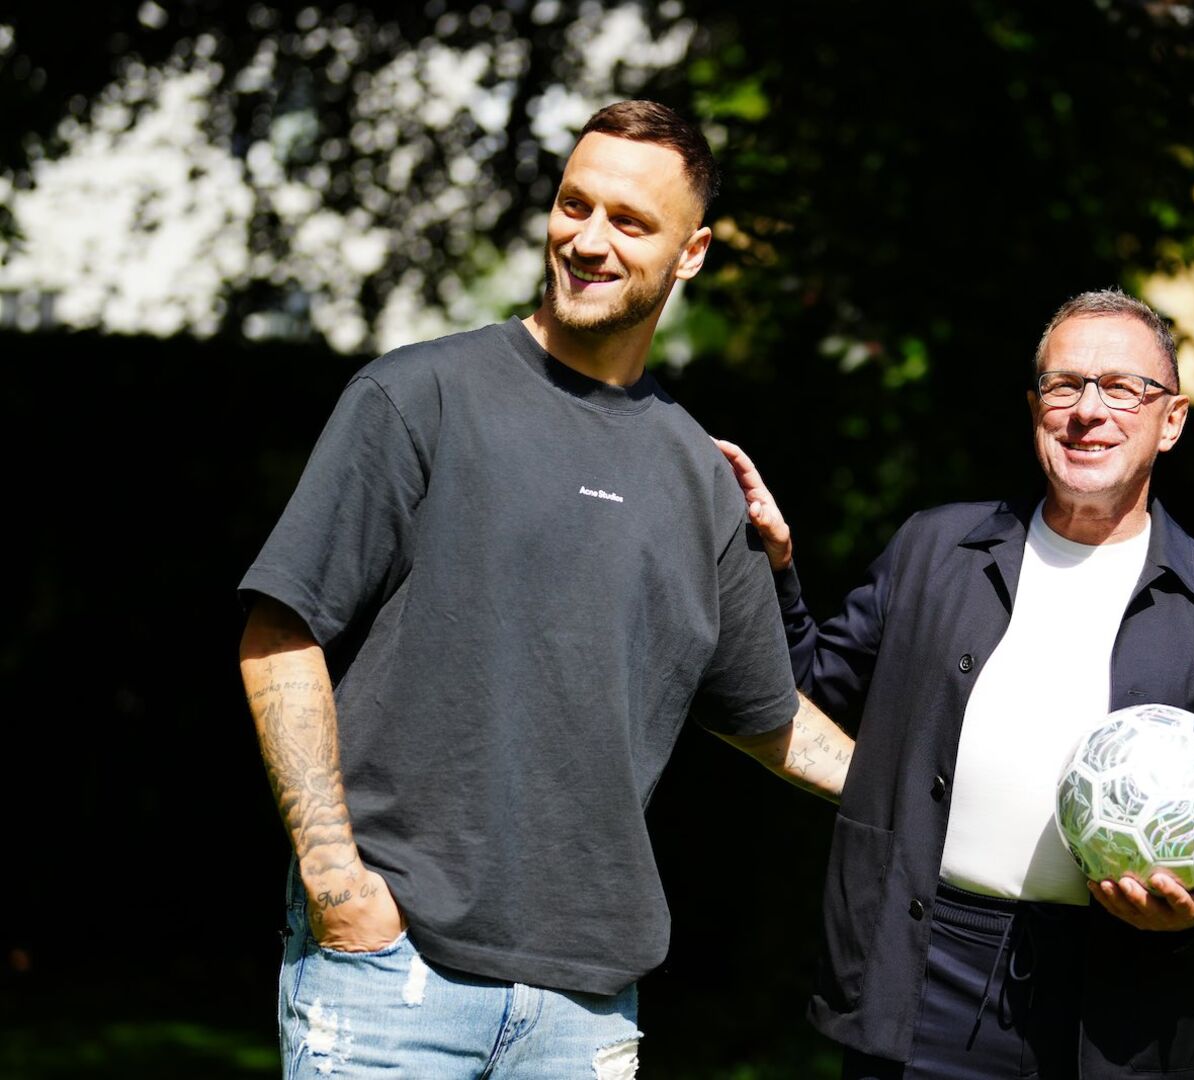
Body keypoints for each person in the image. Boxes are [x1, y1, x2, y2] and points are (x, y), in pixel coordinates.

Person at [237, 99, 853, 1079]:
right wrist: (332, 879)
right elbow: (280, 631)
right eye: (575, 205)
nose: (588, 240)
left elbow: (764, 716)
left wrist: (917, 800)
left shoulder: (699, 474)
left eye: (629, 222)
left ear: (689, 254)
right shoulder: (419, 396)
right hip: (391, 978)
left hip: (585, 1005)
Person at [717, 288, 1194, 1078]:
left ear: (1172, 421)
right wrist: (767, 569)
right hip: (922, 982)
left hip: (1118, 1017)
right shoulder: (934, 549)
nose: (1089, 411)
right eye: (1064, 386)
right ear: (1034, 408)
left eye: (1122, 388)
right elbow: (805, 685)